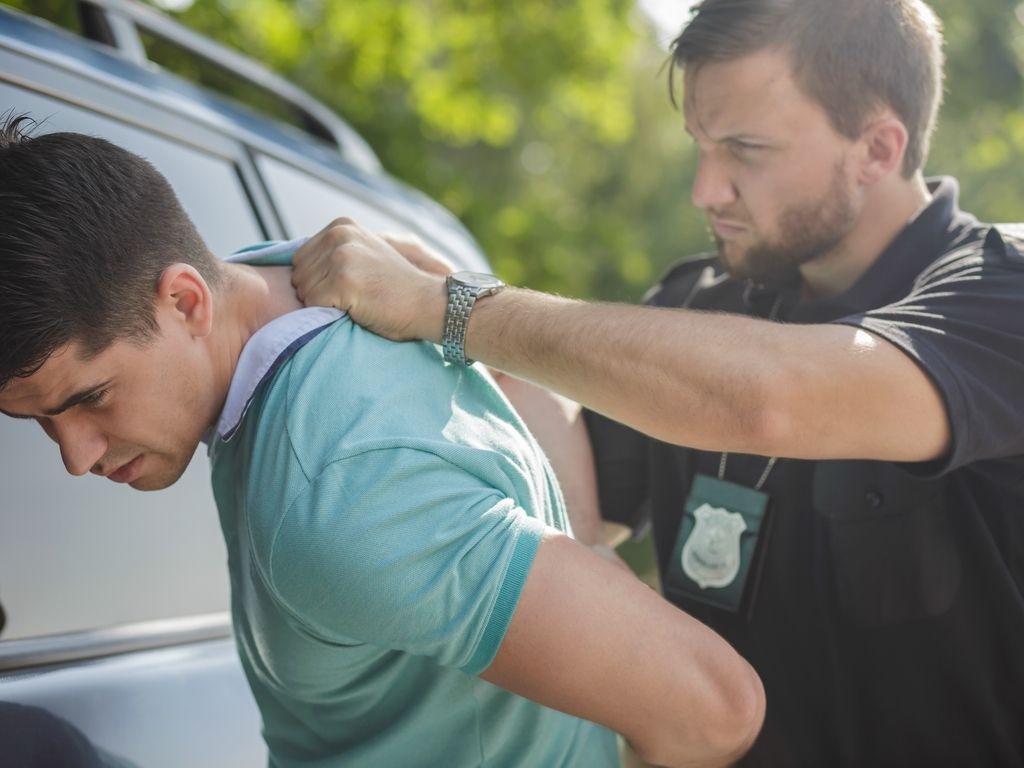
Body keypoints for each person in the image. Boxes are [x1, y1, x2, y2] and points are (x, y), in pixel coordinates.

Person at [289, 0, 1024, 765]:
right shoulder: (696, 301)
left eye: (745, 149)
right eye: (701, 145)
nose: (706, 190)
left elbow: (769, 399)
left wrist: (457, 309)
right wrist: (469, 324)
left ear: (877, 148)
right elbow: (571, 502)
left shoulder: (1003, 293)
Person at [0, 117, 765, 767]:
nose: (74, 456)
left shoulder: (339, 489)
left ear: (185, 299)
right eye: (35, 420)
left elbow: (713, 707)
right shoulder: (301, 273)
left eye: (90, 398)